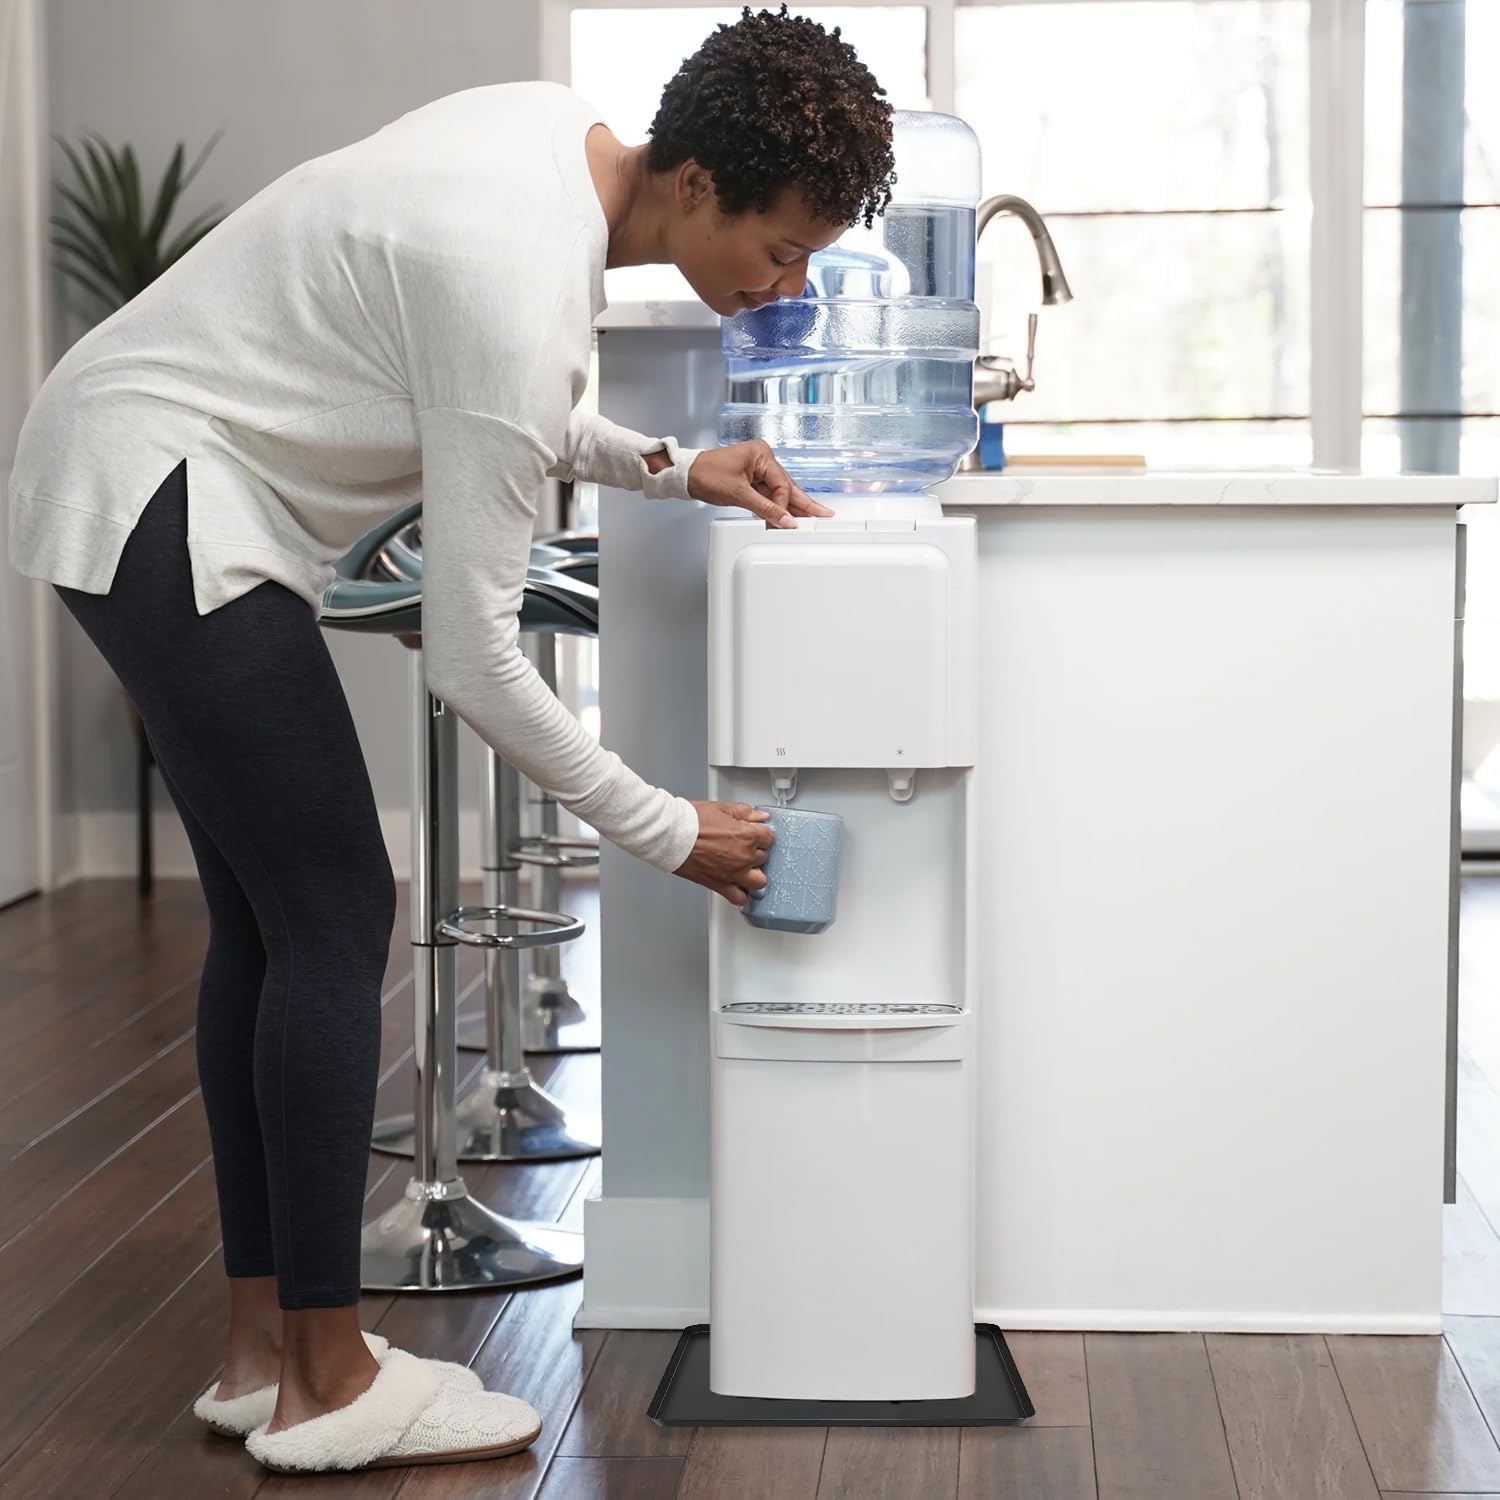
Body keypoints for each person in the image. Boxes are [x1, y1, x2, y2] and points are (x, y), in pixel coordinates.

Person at [5, 4, 895, 1475]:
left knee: (275, 925)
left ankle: (262, 1354)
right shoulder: (515, 273)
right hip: (169, 498)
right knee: (337, 913)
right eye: (783, 248)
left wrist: (671, 464)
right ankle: (329, 1380)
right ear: (694, 185)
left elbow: (490, 404)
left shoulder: (549, 139)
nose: (784, 284)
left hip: (127, 460)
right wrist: (669, 829)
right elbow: (479, 653)